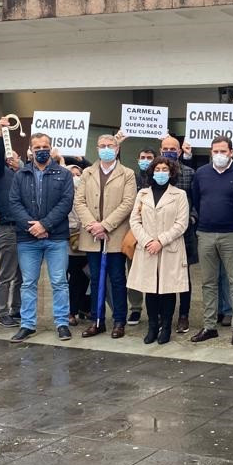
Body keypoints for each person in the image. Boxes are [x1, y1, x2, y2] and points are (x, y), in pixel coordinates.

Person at [8, 132, 75, 343]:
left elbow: (66, 202)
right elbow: (14, 203)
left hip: (56, 237)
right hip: (28, 239)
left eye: (45, 146)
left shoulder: (63, 174)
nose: (41, 150)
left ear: (51, 147)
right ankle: (28, 325)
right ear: (31, 150)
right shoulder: (21, 175)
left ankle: (62, 323)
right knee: (28, 283)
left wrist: (45, 224)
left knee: (59, 282)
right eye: (37, 147)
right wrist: (33, 227)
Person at [74, 134, 137, 339]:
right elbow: (79, 201)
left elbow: (128, 203)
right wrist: (93, 226)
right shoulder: (87, 173)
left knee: (117, 279)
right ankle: (97, 320)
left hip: (115, 235)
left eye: (110, 145)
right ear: (97, 148)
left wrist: (106, 226)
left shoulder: (127, 174)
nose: (106, 148)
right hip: (92, 235)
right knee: (95, 278)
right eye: (102, 146)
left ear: (117, 149)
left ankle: (119, 320)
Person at [191, 136, 233, 345]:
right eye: (215, 151)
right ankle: (209, 326)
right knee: (208, 282)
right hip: (205, 233)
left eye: (223, 151)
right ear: (210, 153)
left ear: (231, 152)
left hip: (232, 234)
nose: (219, 155)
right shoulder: (202, 173)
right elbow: (197, 198)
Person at [127, 156, 190, 345]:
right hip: (146, 249)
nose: (160, 172)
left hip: (169, 248)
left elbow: (181, 223)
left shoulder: (179, 195)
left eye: (165, 169)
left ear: (171, 173)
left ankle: (166, 327)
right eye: (157, 169)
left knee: (167, 290)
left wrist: (160, 241)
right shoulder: (143, 194)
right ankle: (152, 326)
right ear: (152, 172)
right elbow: (134, 220)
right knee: (150, 290)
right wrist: (147, 241)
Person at [159, 135, 197, 335]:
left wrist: (190, 219)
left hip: (184, 233)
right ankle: (161, 316)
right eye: (165, 148)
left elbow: (196, 201)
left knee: (183, 276)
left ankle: (184, 314)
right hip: (159, 235)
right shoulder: (154, 173)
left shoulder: (189, 173)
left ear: (180, 151)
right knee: (160, 274)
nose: (169, 151)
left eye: (173, 148)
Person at [0, 119, 23, 327]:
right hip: (6, 227)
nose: (13, 157)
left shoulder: (22, 174)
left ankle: (16, 309)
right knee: (7, 273)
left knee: (21, 274)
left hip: (23, 229)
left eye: (16, 155)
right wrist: (1, 136)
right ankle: (3, 311)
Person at [126, 147, 157, 325]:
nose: (146, 160)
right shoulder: (132, 177)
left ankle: (156, 309)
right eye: (143, 157)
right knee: (134, 271)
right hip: (134, 231)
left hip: (155, 233)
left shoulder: (160, 178)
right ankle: (135, 308)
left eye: (149, 157)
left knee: (155, 272)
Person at [66, 165, 89, 326]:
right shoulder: (64, 196)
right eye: (72, 174)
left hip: (87, 242)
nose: (76, 177)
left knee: (87, 278)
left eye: (78, 174)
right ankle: (70, 311)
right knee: (74, 278)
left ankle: (84, 308)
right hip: (69, 244)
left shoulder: (87, 195)